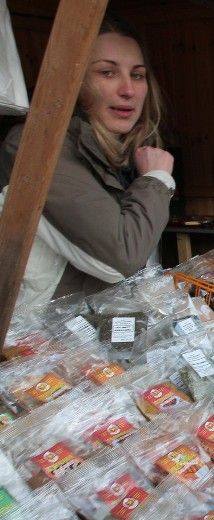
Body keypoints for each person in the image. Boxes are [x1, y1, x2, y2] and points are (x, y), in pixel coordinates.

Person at [0, 14, 174, 307]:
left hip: (87, 336)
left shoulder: (122, 155)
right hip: (31, 343)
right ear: (73, 81)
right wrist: (156, 180)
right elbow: (122, 258)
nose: (128, 90)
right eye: (107, 72)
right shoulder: (36, 146)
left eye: (137, 74)